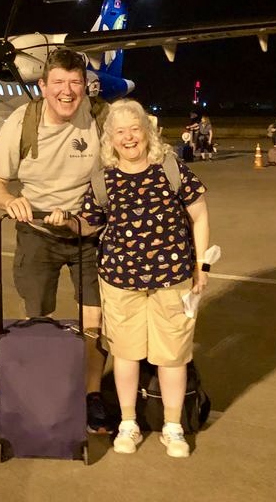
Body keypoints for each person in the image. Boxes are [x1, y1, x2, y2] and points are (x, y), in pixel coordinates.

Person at [48, 99, 210, 458]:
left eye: (135, 129)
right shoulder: (104, 179)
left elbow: (199, 214)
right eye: (120, 131)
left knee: (172, 356)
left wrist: (203, 266)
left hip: (172, 278)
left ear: (146, 131)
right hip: (120, 281)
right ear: (110, 138)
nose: (129, 137)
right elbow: (90, 222)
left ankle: (172, 426)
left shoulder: (169, 169)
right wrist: (69, 221)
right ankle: (128, 423)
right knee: (126, 354)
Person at [0, 47, 110, 432]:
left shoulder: (102, 118)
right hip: (38, 233)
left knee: (94, 322)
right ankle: (37, 396)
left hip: (88, 232)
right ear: (43, 86)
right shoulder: (24, 121)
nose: (67, 92)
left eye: (76, 83)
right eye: (58, 83)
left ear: (86, 87)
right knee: (38, 320)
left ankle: (90, 397)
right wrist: (12, 201)